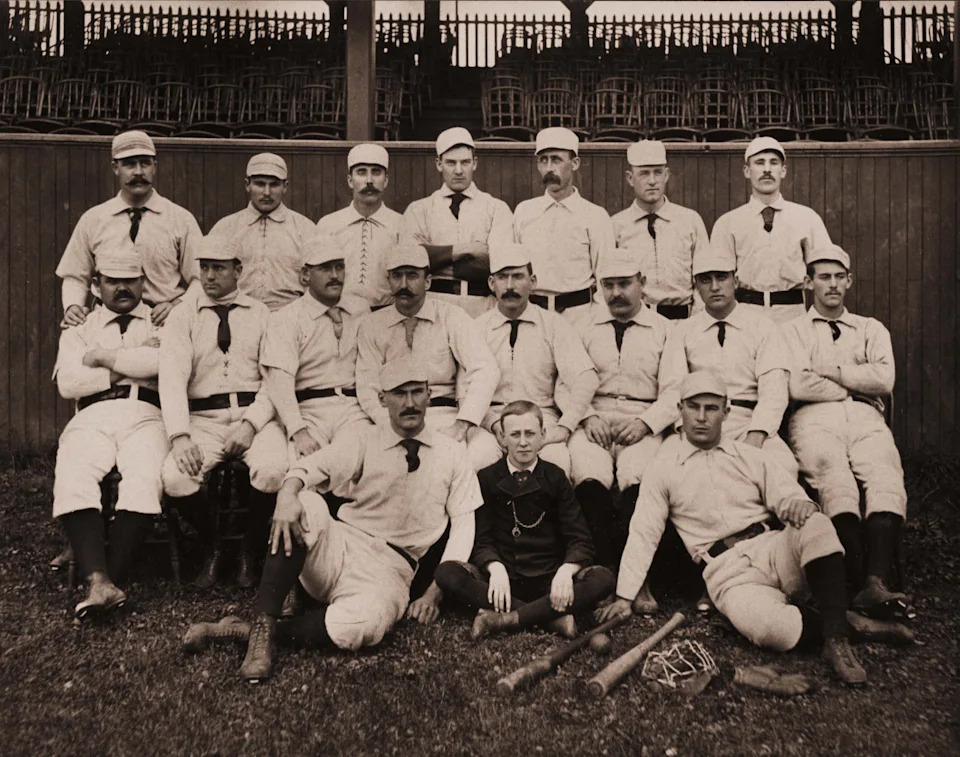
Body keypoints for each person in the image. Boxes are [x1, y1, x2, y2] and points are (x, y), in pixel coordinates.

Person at [597, 371, 914, 687]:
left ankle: (836, 643)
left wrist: (799, 504)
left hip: (774, 548)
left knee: (816, 524)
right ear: (679, 410)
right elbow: (643, 532)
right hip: (727, 572)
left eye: (711, 408)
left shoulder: (750, 456)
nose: (702, 417)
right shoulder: (662, 467)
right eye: (693, 407)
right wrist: (624, 596)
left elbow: (789, 496)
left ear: (727, 412)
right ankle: (847, 622)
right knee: (771, 630)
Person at [182, 358, 482, 683]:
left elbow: (464, 525)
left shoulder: (453, 453)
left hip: (390, 571)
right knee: (305, 502)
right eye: (399, 393)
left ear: (429, 394)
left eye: (416, 392)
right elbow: (312, 467)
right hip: (337, 548)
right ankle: (264, 622)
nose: (409, 403)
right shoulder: (365, 439)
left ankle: (246, 631)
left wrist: (434, 592)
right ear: (382, 399)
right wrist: (286, 495)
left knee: (360, 628)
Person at [781, 244, 910, 618]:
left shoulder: (870, 328)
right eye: (824, 277)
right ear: (809, 283)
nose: (833, 285)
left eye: (839, 277)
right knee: (835, 478)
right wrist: (857, 380)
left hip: (866, 415)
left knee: (885, 473)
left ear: (850, 281)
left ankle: (876, 582)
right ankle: (852, 581)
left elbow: (885, 378)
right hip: (813, 417)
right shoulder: (792, 331)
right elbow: (799, 386)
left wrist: (833, 373)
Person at [159, 235, 287, 588]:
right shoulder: (182, 316)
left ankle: (249, 550)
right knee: (176, 477)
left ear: (238, 270)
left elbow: (273, 378)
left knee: (274, 469)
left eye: (219, 268)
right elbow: (171, 378)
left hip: (254, 416)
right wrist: (180, 436)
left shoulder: (261, 314)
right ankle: (214, 547)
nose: (210, 276)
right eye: (204, 268)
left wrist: (250, 424)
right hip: (202, 420)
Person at [435, 401, 614, 640]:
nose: (523, 442)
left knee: (603, 578)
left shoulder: (555, 476)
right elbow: (482, 538)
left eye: (530, 434)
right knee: (446, 572)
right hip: (502, 583)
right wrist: (494, 567)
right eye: (515, 434)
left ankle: (505, 619)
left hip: (548, 580)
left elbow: (580, 538)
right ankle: (551, 619)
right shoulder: (487, 478)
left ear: (543, 436)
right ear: (502, 438)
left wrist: (566, 571)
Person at [52, 252, 168, 619]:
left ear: (143, 283)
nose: (122, 288)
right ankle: (101, 580)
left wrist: (102, 358)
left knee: (146, 477)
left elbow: (163, 364)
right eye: (112, 280)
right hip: (93, 413)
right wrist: (129, 365)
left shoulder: (160, 321)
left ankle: (104, 581)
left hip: (147, 412)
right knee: (74, 471)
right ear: (95, 285)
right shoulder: (78, 327)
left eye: (131, 280)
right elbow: (69, 384)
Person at [568, 255, 677, 590]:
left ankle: (637, 576)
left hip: (642, 420)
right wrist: (586, 416)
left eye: (624, 283)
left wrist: (646, 423)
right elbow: (565, 381)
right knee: (588, 474)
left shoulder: (665, 329)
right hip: (593, 417)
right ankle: (601, 570)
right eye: (608, 285)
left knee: (638, 477)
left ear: (641, 281)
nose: (616, 293)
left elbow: (675, 389)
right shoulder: (581, 325)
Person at [355, 244, 500, 471]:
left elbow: (485, 369)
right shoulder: (372, 325)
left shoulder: (452, 316)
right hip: (394, 418)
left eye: (412, 275)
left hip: (444, 414)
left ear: (428, 281)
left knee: (486, 450)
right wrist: (391, 426)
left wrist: (462, 424)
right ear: (389, 280)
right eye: (397, 276)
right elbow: (367, 386)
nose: (404, 285)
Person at [660, 249, 798, 477]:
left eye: (721, 277)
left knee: (783, 467)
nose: (714, 287)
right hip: (699, 423)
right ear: (696, 287)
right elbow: (672, 388)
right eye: (705, 280)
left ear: (735, 280)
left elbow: (774, 390)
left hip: (748, 421)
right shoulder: (683, 331)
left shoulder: (762, 326)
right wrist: (685, 429)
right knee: (667, 468)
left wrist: (758, 433)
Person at [472, 243, 599, 474]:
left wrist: (565, 426)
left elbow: (586, 377)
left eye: (518, 277)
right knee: (477, 458)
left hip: (542, 419)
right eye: (502, 277)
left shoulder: (553, 325)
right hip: (492, 420)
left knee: (555, 461)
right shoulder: (476, 329)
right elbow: (466, 387)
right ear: (492, 283)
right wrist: (492, 423)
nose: (510, 286)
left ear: (533, 282)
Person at [56, 130, 202, 328]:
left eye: (145, 163)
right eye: (129, 164)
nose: (139, 172)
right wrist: (72, 306)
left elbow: (201, 279)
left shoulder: (180, 219)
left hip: (162, 323)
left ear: (155, 167)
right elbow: (75, 275)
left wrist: (178, 305)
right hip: (107, 325)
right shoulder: (94, 219)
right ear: (115, 168)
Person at [261, 235, 371, 466]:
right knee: (306, 467)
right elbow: (279, 382)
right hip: (308, 411)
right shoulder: (286, 318)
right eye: (325, 268)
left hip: (353, 409)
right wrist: (298, 430)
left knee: (362, 460)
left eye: (339, 267)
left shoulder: (360, 310)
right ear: (305, 275)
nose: (334, 276)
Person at [707, 136, 832, 324]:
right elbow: (717, 279)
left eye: (773, 163)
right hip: (745, 314)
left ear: (783, 171)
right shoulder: (728, 223)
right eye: (759, 162)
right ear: (747, 171)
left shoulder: (807, 218)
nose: (767, 169)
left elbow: (826, 271)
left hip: (793, 315)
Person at [400, 127, 513, 317]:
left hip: (482, 305)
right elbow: (411, 261)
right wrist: (466, 250)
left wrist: (435, 258)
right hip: (434, 303)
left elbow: (497, 263)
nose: (459, 170)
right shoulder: (419, 209)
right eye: (451, 163)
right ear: (439, 164)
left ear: (474, 163)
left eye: (465, 162)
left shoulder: (496, 208)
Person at [513, 127, 615, 328]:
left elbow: (605, 276)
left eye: (557, 160)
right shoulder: (524, 212)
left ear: (574, 163)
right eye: (544, 160)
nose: (549, 167)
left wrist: (597, 323)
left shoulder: (595, 216)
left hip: (580, 318)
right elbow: (516, 269)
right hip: (534, 316)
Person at [612, 140, 709, 320]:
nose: (652, 181)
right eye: (643, 174)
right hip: (636, 322)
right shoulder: (617, 225)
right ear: (630, 178)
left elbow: (704, 276)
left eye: (657, 172)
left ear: (666, 175)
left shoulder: (690, 221)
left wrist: (696, 321)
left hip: (683, 321)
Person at [208, 153, 317, 311]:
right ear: (247, 185)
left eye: (274, 185)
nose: (267, 192)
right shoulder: (225, 228)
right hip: (237, 316)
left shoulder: (306, 228)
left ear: (285, 186)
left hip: (290, 317)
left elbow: (317, 283)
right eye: (260, 184)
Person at [314, 144, 401, 308]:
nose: (369, 180)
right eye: (361, 172)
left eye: (376, 172)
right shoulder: (329, 225)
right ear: (350, 180)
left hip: (388, 317)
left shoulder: (401, 225)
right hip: (339, 315)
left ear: (386, 180)